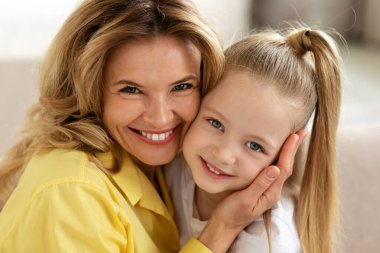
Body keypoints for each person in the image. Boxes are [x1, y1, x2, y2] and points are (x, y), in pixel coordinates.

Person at [0, 0, 304, 252]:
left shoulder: (167, 164)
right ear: (88, 92)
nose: (160, 118)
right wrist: (222, 228)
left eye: (182, 86)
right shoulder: (71, 194)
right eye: (131, 90)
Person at [165, 27, 342, 253]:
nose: (223, 154)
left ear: (284, 156)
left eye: (254, 146)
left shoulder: (268, 241)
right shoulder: (176, 168)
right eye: (216, 123)